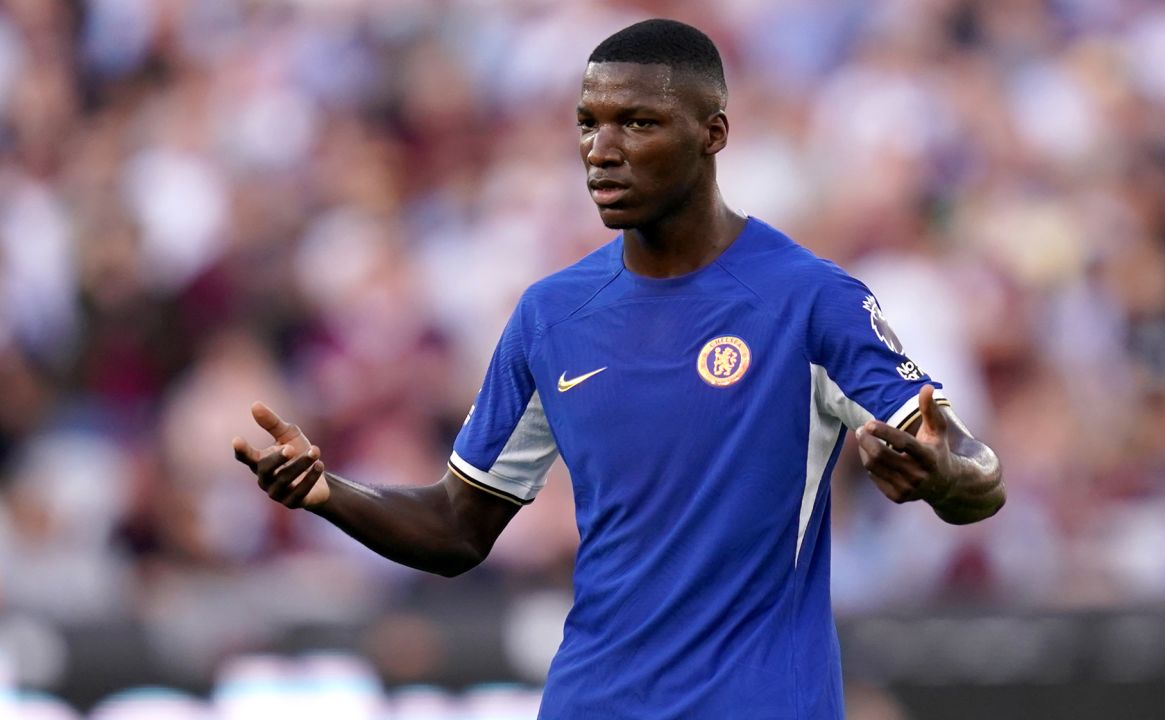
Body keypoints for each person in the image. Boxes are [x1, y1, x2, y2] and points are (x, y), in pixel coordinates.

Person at [233, 18, 1004, 719]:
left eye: (638, 122)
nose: (603, 148)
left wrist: (946, 480)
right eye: (588, 123)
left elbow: (973, 465)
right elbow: (457, 527)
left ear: (713, 133)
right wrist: (327, 492)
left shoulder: (809, 300)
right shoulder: (551, 316)